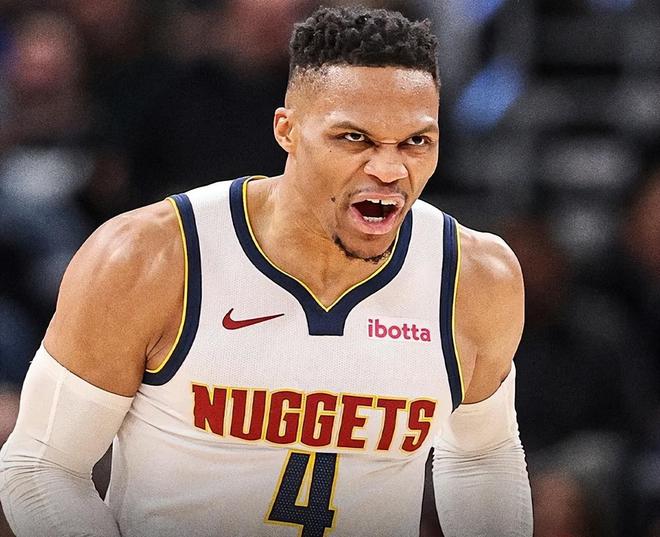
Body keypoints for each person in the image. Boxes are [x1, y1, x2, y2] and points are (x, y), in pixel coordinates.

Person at [0, 6, 532, 536]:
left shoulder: (473, 275)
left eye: (416, 141)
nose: (389, 169)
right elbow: (41, 464)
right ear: (287, 130)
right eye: (354, 138)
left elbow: (482, 456)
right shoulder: (151, 256)